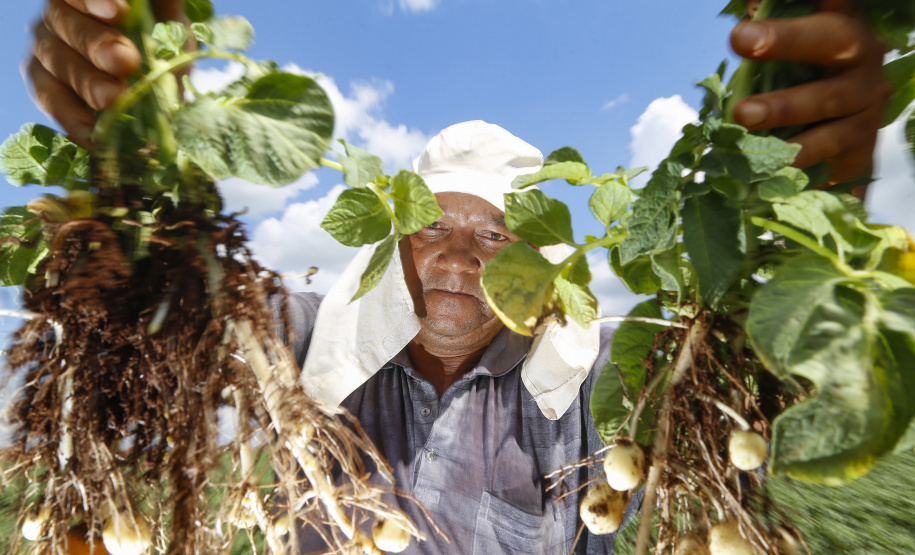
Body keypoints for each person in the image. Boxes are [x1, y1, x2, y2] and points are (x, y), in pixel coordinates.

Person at [26, 0, 890, 553]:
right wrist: (137, 150)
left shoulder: (596, 379)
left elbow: (755, 405)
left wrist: (809, 197)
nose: (457, 254)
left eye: (496, 234)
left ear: (540, 262)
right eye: (432, 224)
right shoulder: (300, 337)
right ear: (390, 244)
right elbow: (178, 308)